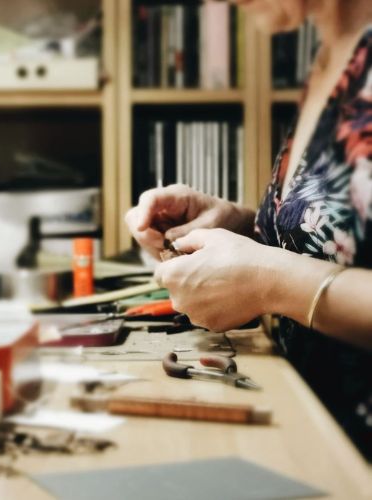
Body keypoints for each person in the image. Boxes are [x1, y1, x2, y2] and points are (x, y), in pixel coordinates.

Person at [126, 0, 372, 460]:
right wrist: (237, 222)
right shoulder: (330, 57)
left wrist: (269, 281)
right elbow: (343, 239)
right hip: (313, 434)